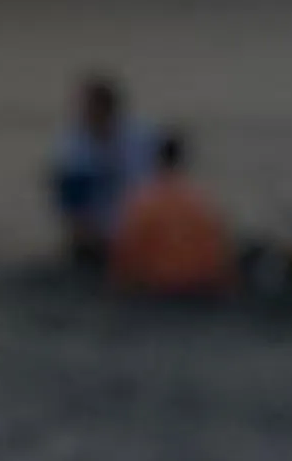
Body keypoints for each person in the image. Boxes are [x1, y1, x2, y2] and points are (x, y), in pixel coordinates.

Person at [45, 71, 154, 271]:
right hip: (95, 231)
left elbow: (156, 183)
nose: (86, 115)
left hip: (137, 226)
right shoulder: (74, 143)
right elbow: (70, 196)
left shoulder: (140, 137)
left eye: (92, 109)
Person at [109, 131, 237, 296]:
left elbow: (124, 255)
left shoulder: (141, 202)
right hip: (198, 290)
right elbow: (220, 256)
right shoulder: (202, 202)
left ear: (156, 160)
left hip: (154, 291)